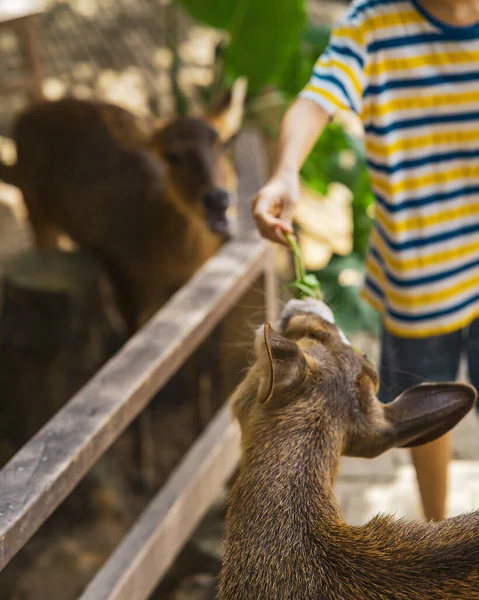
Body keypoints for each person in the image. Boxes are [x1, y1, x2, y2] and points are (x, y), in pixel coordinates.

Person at [253, 0, 479, 522]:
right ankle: (437, 529)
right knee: (428, 412)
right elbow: (316, 100)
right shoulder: (374, 22)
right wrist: (286, 170)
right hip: (420, 271)